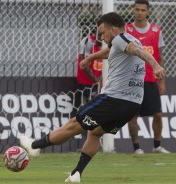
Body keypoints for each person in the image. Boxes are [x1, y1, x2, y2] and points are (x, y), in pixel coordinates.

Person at [19, 12, 165, 182]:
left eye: (103, 33)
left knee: (74, 124)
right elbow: (111, 52)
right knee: (95, 133)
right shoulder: (128, 40)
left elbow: (137, 51)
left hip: (113, 99)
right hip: (131, 105)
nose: (101, 37)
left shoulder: (121, 39)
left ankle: (35, 146)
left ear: (113, 29)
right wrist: (90, 58)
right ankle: (76, 174)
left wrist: (155, 65)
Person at [125, 0, 169, 154]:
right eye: (137, 9)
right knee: (132, 116)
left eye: (143, 10)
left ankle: (157, 145)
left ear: (148, 12)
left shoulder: (157, 31)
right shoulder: (127, 30)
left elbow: (160, 57)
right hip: (132, 80)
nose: (140, 13)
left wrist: (161, 81)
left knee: (157, 114)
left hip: (150, 80)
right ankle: (137, 148)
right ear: (133, 11)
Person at [76, 31, 102, 106]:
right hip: (85, 82)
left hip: (98, 82)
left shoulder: (107, 44)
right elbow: (85, 66)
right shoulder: (88, 42)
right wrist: (96, 80)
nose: (102, 37)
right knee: (87, 106)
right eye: (100, 34)